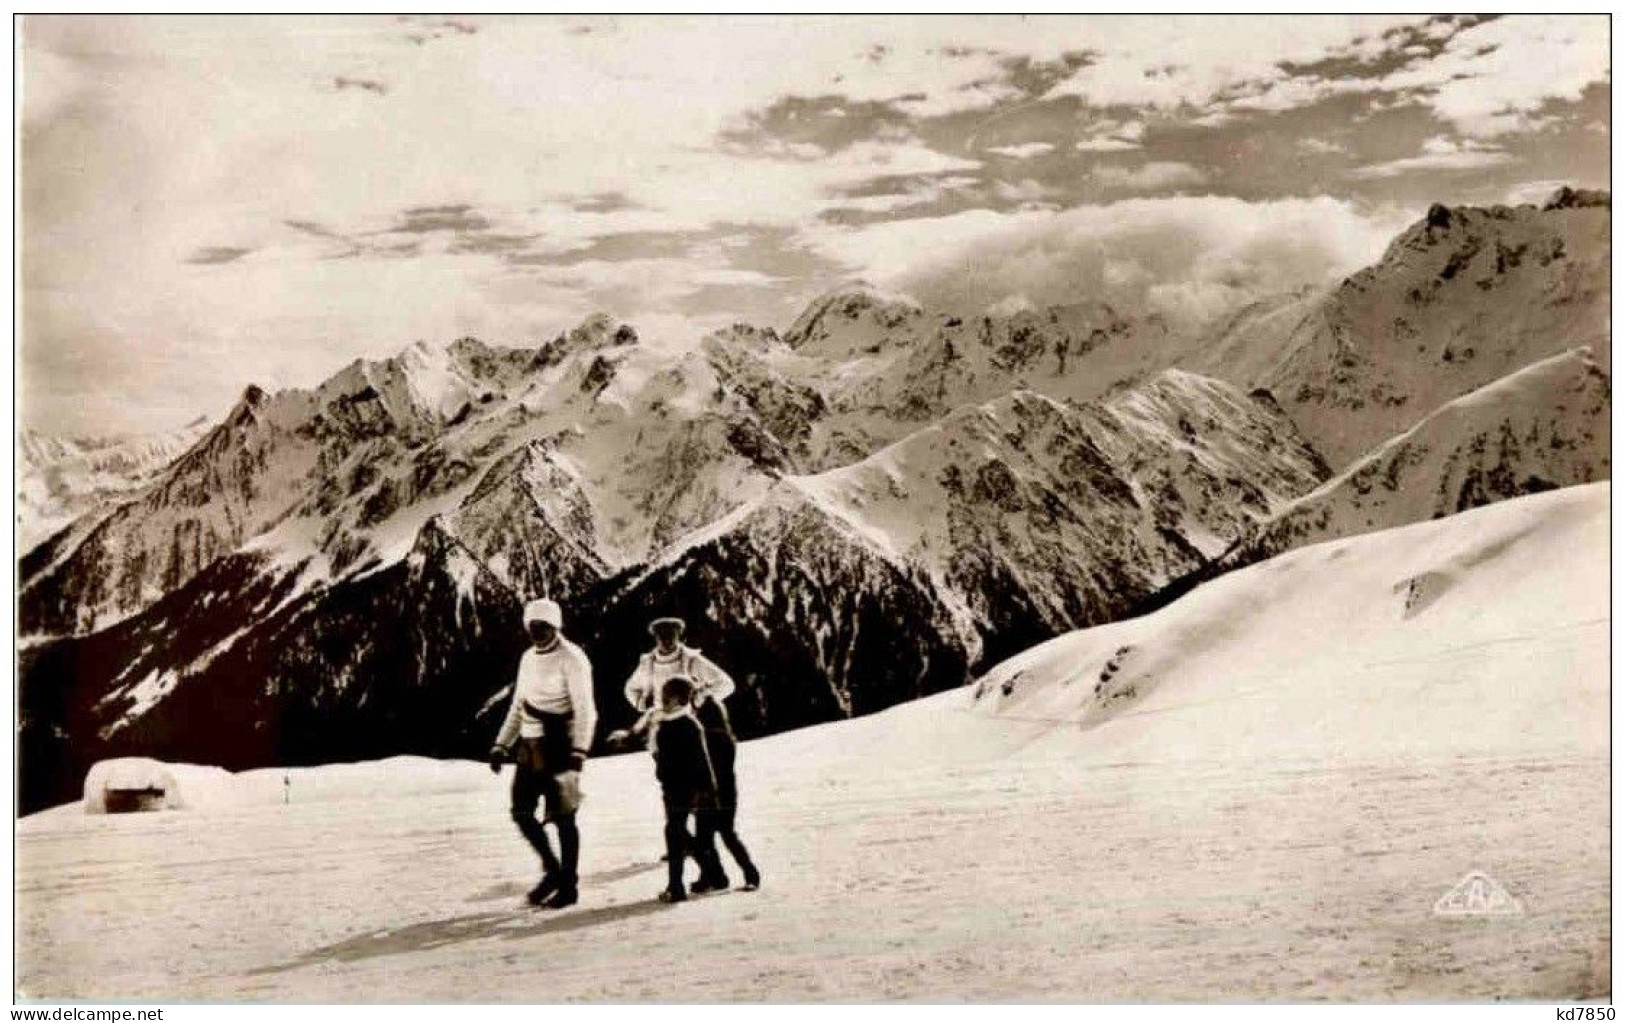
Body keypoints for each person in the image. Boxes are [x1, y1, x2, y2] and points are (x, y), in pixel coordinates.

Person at [490, 597, 597, 909]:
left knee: (564, 818)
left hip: (561, 745)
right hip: (529, 743)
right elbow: (518, 704)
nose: (538, 632)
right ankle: (552, 869)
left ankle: (568, 885)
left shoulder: (572, 658)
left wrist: (579, 751)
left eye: (544, 627)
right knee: (521, 812)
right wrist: (502, 744)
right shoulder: (528, 658)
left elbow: (585, 710)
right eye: (533, 627)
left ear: (556, 626)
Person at [648, 675, 726, 903]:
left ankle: (677, 887)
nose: (662, 700)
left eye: (666, 696)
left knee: (675, 836)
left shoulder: (688, 725)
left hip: (684, 790)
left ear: (679, 699)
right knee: (678, 835)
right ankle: (713, 874)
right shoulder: (667, 724)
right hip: (673, 789)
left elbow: (702, 760)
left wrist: (707, 790)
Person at [691, 690, 761, 893]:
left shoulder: (711, 738)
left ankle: (737, 875)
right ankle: (741, 875)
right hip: (725, 792)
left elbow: (707, 767)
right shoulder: (725, 737)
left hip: (713, 793)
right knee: (721, 836)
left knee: (709, 838)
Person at [622, 617, 735, 718]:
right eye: (662, 636)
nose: (667, 640)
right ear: (656, 638)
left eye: (671, 635)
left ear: (678, 636)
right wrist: (641, 703)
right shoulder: (648, 664)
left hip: (688, 719)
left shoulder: (691, 660)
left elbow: (725, 684)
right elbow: (630, 689)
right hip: (659, 721)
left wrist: (698, 699)